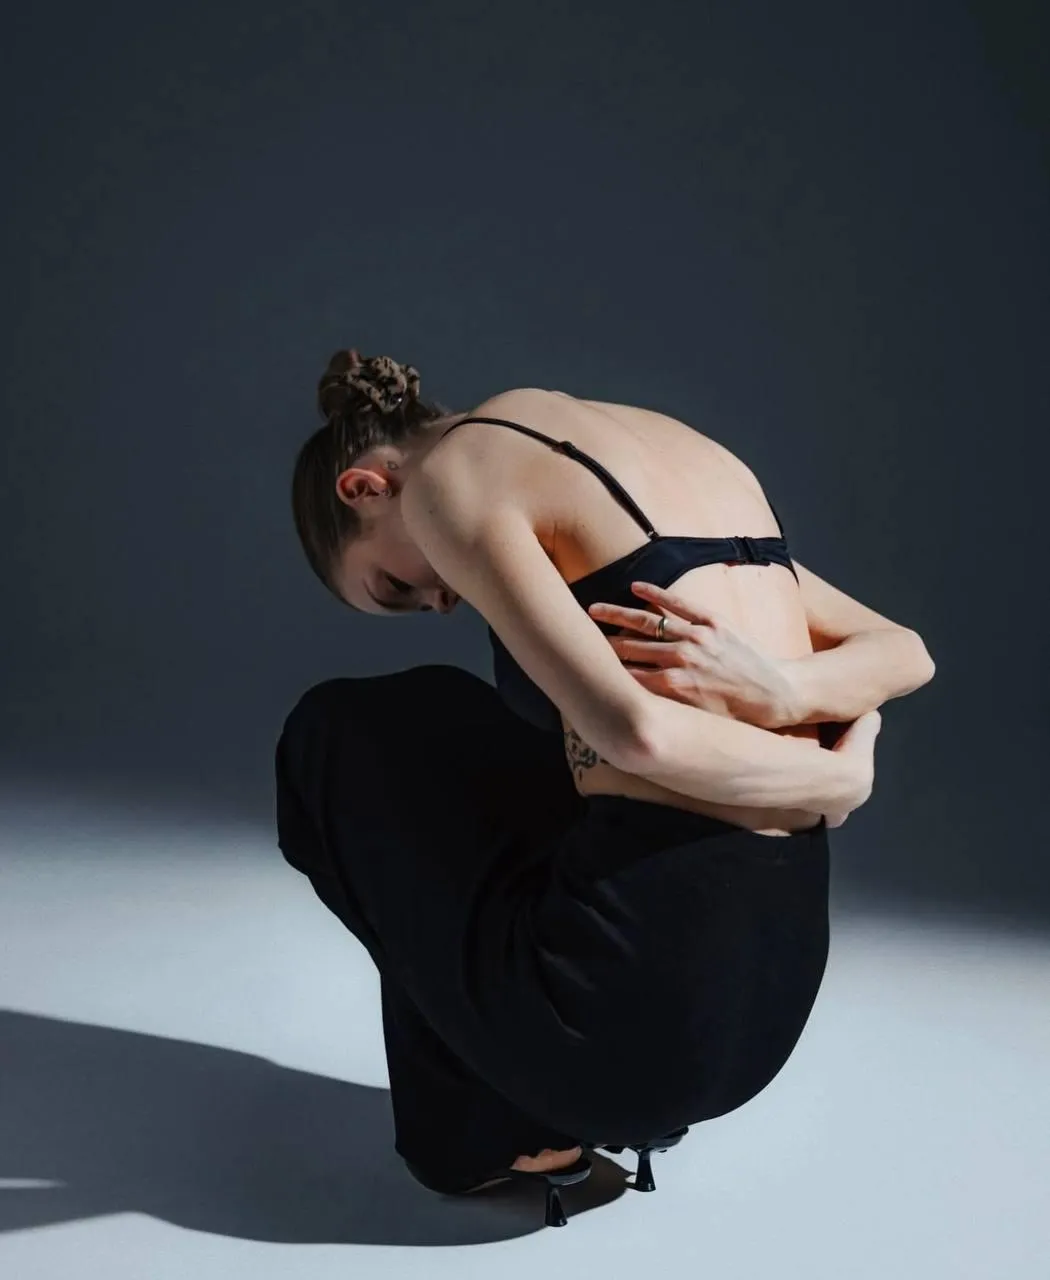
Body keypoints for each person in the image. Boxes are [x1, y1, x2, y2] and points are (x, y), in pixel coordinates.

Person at [275, 349, 934, 1226]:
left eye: (394, 585)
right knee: (454, 712)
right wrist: (800, 711)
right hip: (767, 1004)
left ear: (366, 488)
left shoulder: (451, 479)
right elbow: (905, 651)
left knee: (335, 738)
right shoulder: (665, 449)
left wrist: (833, 776)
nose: (435, 604)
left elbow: (641, 733)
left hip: (621, 1022)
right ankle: (530, 1100)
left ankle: (484, 1128)